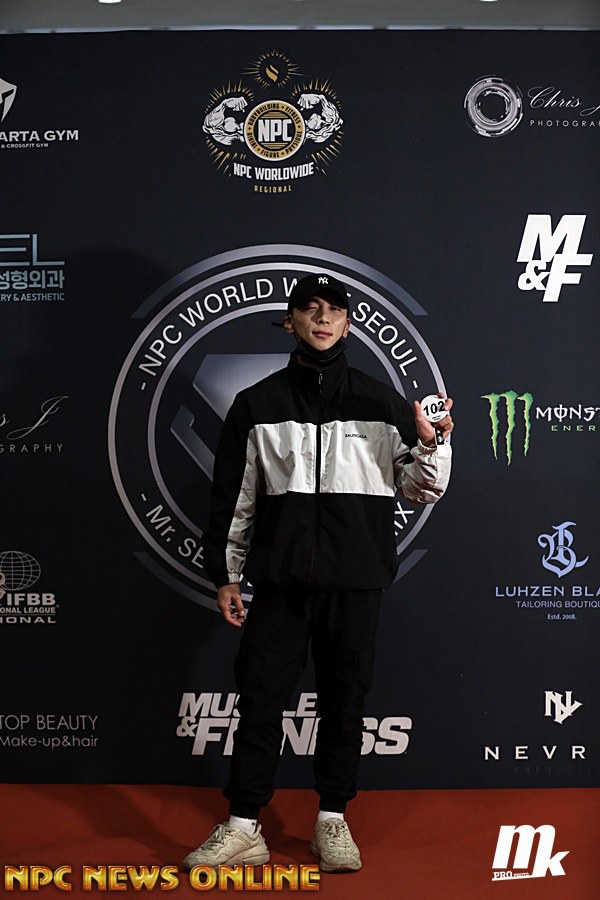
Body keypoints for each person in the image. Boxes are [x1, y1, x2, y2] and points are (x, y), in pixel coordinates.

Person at [183, 273, 453, 873]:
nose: (323, 319)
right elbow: (234, 499)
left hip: (356, 582)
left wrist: (432, 444)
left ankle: (332, 819)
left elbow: (422, 488)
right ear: (291, 322)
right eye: (310, 309)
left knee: (344, 702)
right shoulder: (257, 404)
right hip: (281, 583)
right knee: (260, 700)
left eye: (334, 310)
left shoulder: (383, 403)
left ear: (348, 324)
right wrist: (227, 574)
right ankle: (244, 826)